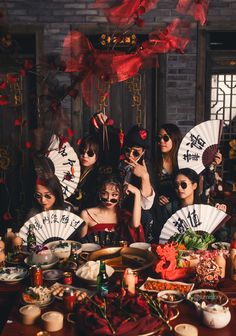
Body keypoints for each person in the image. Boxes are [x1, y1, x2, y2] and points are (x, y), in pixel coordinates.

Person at [79, 176, 144, 245]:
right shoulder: (86, 214)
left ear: (120, 196)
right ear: (99, 194)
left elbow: (136, 224)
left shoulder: (123, 215)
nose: (109, 199)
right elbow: (83, 244)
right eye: (104, 193)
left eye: (114, 195)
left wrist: (137, 193)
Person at [154, 123, 183, 233]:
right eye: (159, 138)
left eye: (166, 138)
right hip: (157, 205)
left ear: (174, 139)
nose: (161, 141)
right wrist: (157, 197)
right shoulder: (153, 162)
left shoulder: (182, 162)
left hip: (178, 204)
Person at [68, 135, 100, 213]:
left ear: (97, 155)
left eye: (90, 153)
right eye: (82, 152)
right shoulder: (73, 169)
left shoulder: (98, 176)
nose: (85, 156)